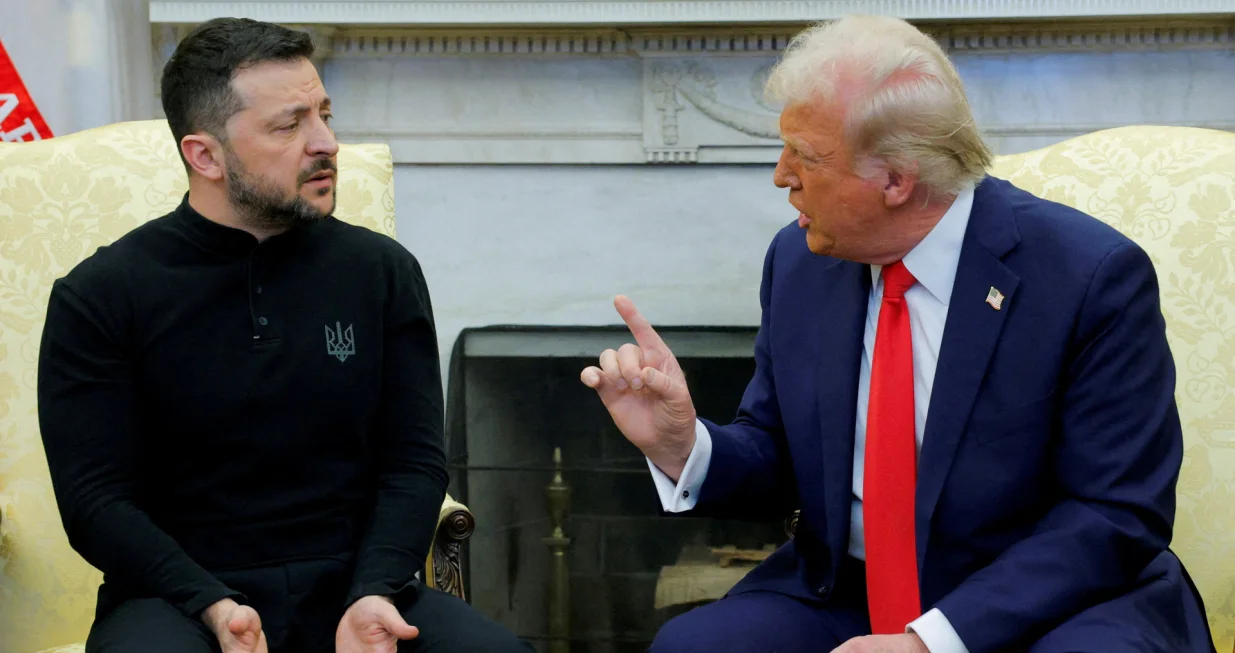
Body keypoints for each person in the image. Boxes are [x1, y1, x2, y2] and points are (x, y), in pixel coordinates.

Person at [581, 14, 1216, 653]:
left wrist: (929, 641)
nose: (781, 174)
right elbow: (779, 454)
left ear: (895, 180)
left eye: (806, 156)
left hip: (1048, 605)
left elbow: (1113, 513)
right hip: (847, 591)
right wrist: (683, 445)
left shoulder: (1088, 277)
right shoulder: (800, 263)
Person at [36, 17, 531, 653]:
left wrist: (376, 589)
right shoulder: (99, 294)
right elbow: (95, 501)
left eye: (324, 114)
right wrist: (211, 604)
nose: (326, 142)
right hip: (178, 599)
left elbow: (413, 461)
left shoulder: (380, 271)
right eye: (289, 125)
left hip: (356, 586)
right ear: (205, 156)